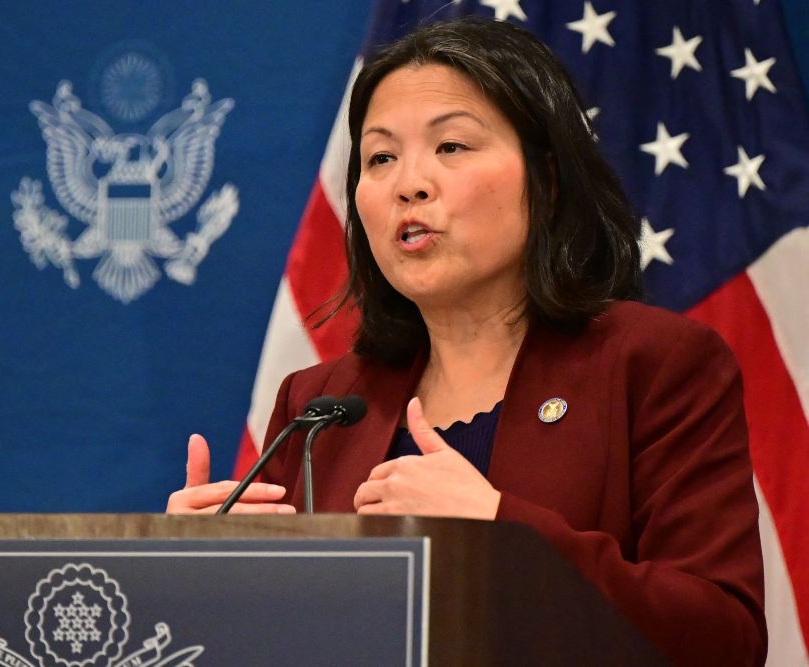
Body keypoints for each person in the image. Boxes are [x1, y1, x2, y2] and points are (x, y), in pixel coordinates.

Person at [167, 17, 766, 667]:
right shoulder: (318, 406)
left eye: (451, 146)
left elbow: (722, 639)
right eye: (380, 157)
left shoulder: (654, 364)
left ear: (548, 179)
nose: (408, 183)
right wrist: (205, 584)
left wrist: (501, 532)